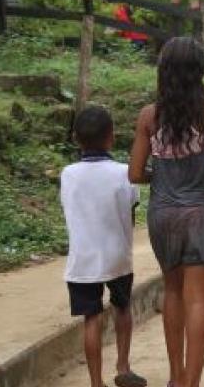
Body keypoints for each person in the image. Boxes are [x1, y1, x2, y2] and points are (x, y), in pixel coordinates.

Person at [129, 37, 204, 387]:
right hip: (200, 215)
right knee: (198, 300)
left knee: (172, 292)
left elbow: (134, 173)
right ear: (199, 73)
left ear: (163, 72)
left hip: (163, 214)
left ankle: (175, 377)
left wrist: (160, 174)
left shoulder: (150, 117)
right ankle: (191, 382)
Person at [61, 106, 148, 387]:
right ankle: (123, 368)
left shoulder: (68, 174)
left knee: (91, 318)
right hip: (117, 256)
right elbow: (131, 210)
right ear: (111, 137)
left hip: (83, 260)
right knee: (122, 309)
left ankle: (96, 382)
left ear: (76, 138)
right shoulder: (124, 172)